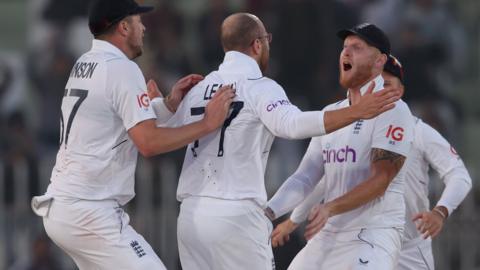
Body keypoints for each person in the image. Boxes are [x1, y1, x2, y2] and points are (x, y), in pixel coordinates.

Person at [147, 15, 400, 270]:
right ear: (257, 45)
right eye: (267, 40)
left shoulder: (199, 87)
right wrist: (356, 112)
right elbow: (292, 124)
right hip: (236, 214)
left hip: (190, 217)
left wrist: (161, 105)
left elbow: (163, 132)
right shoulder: (260, 87)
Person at [30, 0, 235, 269]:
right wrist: (208, 124)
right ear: (124, 27)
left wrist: (166, 106)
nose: (145, 28)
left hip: (64, 206)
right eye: (139, 21)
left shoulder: (85, 62)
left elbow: (114, 123)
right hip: (89, 210)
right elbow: (147, 143)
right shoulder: (122, 69)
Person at [270, 55, 472, 270]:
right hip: (361, 241)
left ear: (400, 91)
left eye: (386, 85)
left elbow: (459, 174)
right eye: (373, 84)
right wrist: (293, 221)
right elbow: (323, 179)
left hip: (408, 251)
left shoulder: (418, 130)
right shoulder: (350, 130)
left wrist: (440, 211)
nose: (379, 91)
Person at [265, 23, 414, 270]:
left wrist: (329, 207)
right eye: (345, 47)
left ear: (379, 62)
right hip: (330, 232)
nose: (346, 52)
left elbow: (381, 180)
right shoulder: (331, 113)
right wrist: (267, 214)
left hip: (373, 232)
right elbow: (305, 178)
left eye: (357, 47)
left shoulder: (392, 108)